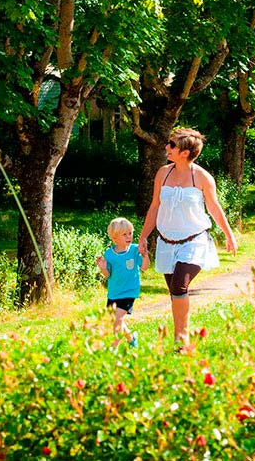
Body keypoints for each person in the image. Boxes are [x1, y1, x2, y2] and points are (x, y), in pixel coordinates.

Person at [138, 128, 237, 350]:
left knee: (179, 286)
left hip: (195, 240)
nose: (167, 147)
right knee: (175, 292)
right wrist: (143, 236)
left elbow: (214, 207)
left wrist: (229, 235)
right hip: (166, 242)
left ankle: (181, 342)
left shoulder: (202, 177)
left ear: (185, 152)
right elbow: (155, 206)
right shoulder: (163, 173)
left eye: (172, 145)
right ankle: (181, 336)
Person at [96, 217, 149, 347]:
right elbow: (108, 274)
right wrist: (103, 268)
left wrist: (145, 255)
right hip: (114, 293)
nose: (128, 236)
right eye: (124, 234)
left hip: (129, 291)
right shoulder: (109, 254)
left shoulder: (135, 250)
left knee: (118, 319)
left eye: (130, 233)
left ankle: (114, 348)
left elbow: (144, 267)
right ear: (114, 238)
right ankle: (132, 339)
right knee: (116, 320)